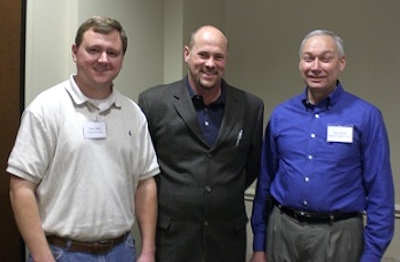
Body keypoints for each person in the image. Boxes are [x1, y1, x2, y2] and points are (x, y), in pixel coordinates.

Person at [7, 16, 160, 262]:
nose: (103, 59)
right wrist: (42, 256)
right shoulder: (46, 109)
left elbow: (145, 182)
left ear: (122, 59)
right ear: (75, 52)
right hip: (61, 253)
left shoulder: (134, 114)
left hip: (122, 251)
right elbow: (21, 187)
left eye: (113, 52)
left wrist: (148, 250)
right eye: (94, 50)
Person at [250, 29, 394, 262]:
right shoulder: (281, 116)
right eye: (308, 58)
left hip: (339, 235)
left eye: (325, 58)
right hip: (282, 232)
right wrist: (259, 244)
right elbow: (265, 184)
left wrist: (372, 255)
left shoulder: (366, 117)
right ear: (300, 63)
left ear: (341, 63)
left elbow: (381, 192)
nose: (315, 66)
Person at [138, 25, 264, 262]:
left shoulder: (251, 107)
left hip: (227, 240)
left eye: (218, 56)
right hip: (172, 240)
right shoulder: (153, 103)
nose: (210, 63)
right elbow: (146, 174)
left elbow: (251, 167)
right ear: (187, 54)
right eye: (203, 54)